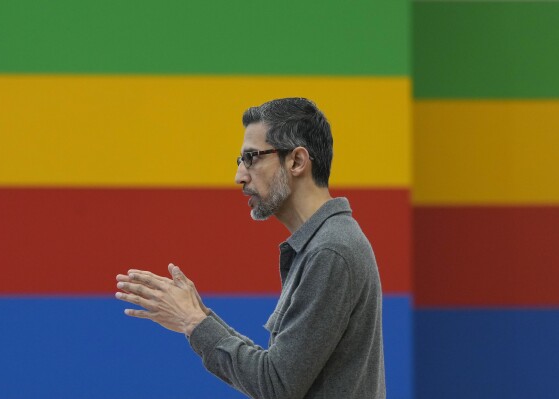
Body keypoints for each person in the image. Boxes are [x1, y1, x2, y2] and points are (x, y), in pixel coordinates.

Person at [115, 98, 386, 398]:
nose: (239, 176)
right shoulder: (326, 243)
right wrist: (196, 315)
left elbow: (275, 385)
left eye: (251, 158)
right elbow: (276, 370)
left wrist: (195, 322)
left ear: (296, 161)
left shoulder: (330, 251)